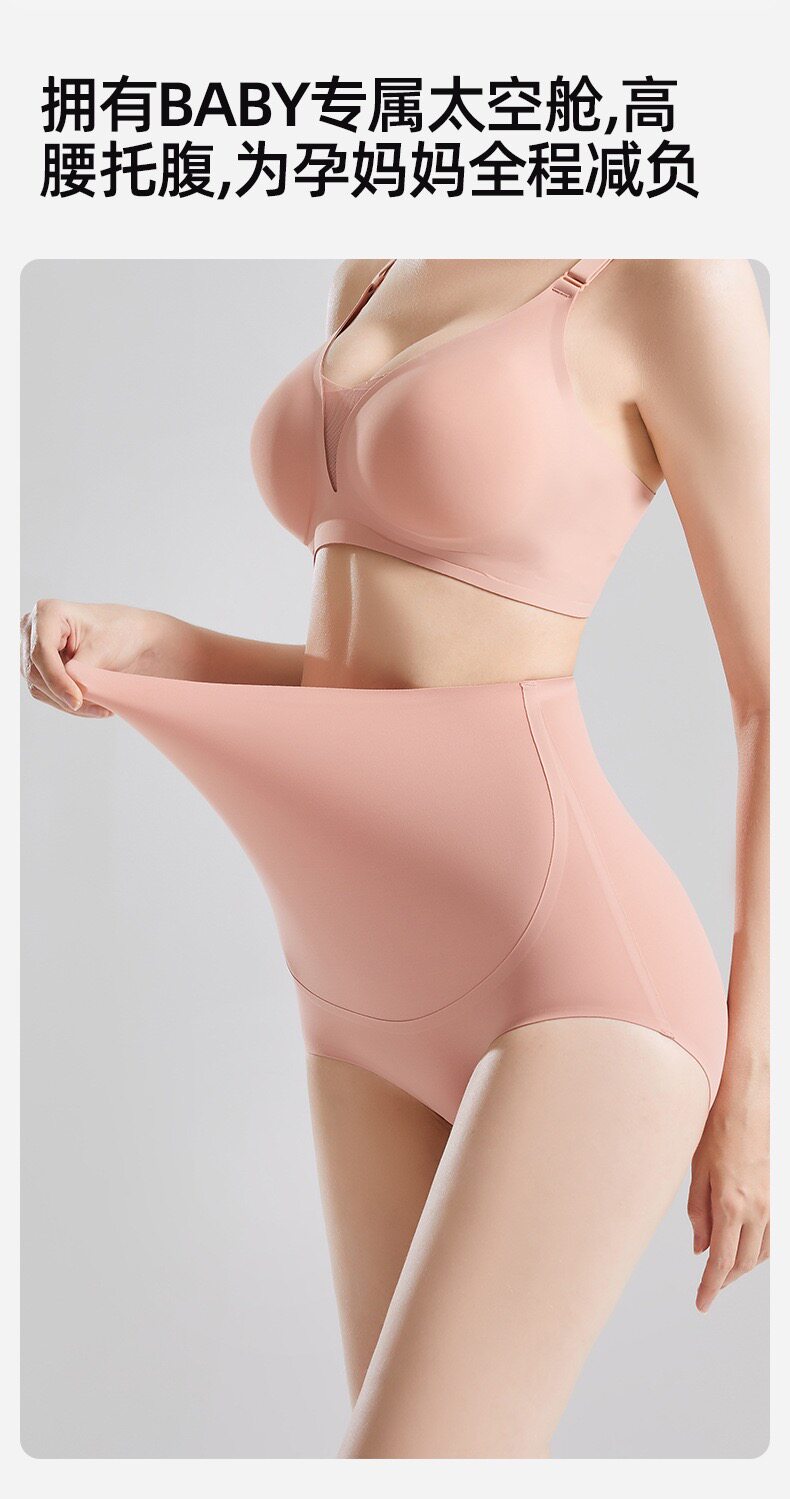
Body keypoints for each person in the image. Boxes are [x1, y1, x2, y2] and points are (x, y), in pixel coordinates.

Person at [20, 259, 769, 1458]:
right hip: (348, 989)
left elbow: (769, 701)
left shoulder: (666, 270)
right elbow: (365, 690)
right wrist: (155, 644)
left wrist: (758, 1079)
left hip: (571, 973)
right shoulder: (380, 258)